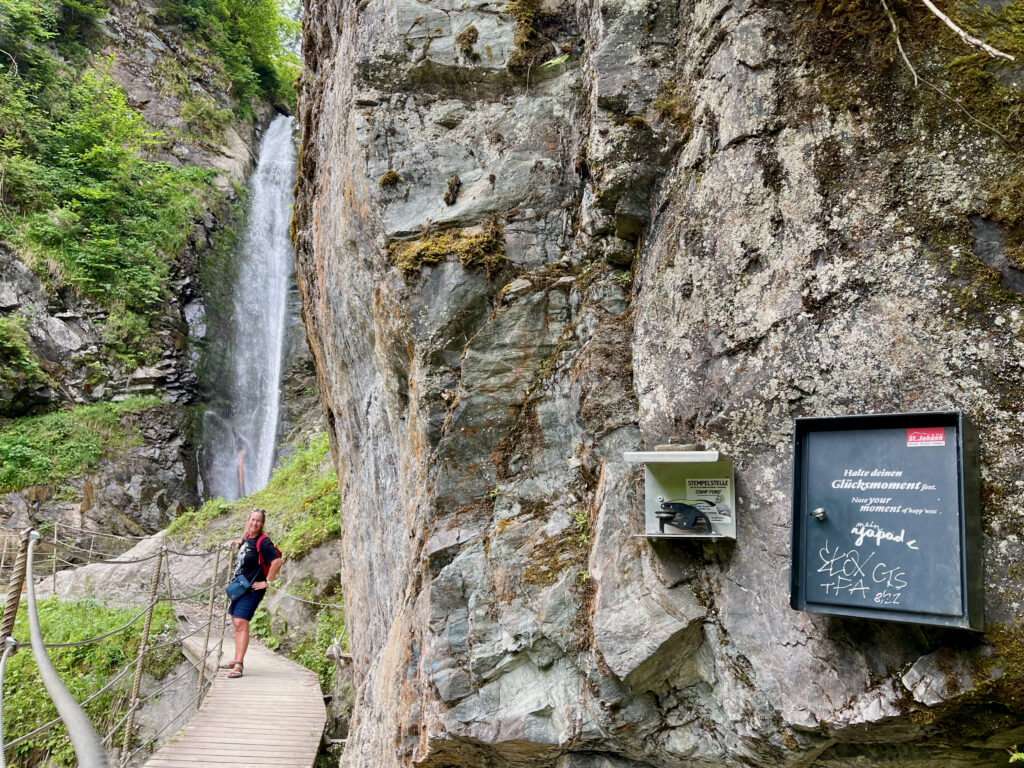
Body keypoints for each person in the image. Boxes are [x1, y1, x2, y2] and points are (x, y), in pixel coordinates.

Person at [220, 508, 282, 678]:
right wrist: (237, 543)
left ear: (262, 524)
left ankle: (239, 664)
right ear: (248, 521)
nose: (254, 523)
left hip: (252, 589)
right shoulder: (249, 537)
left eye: (258, 521)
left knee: (241, 622)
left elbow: (277, 561)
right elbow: (248, 547)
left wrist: (267, 582)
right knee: (236, 621)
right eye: (252, 520)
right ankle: (236, 659)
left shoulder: (264, 542)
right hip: (240, 586)